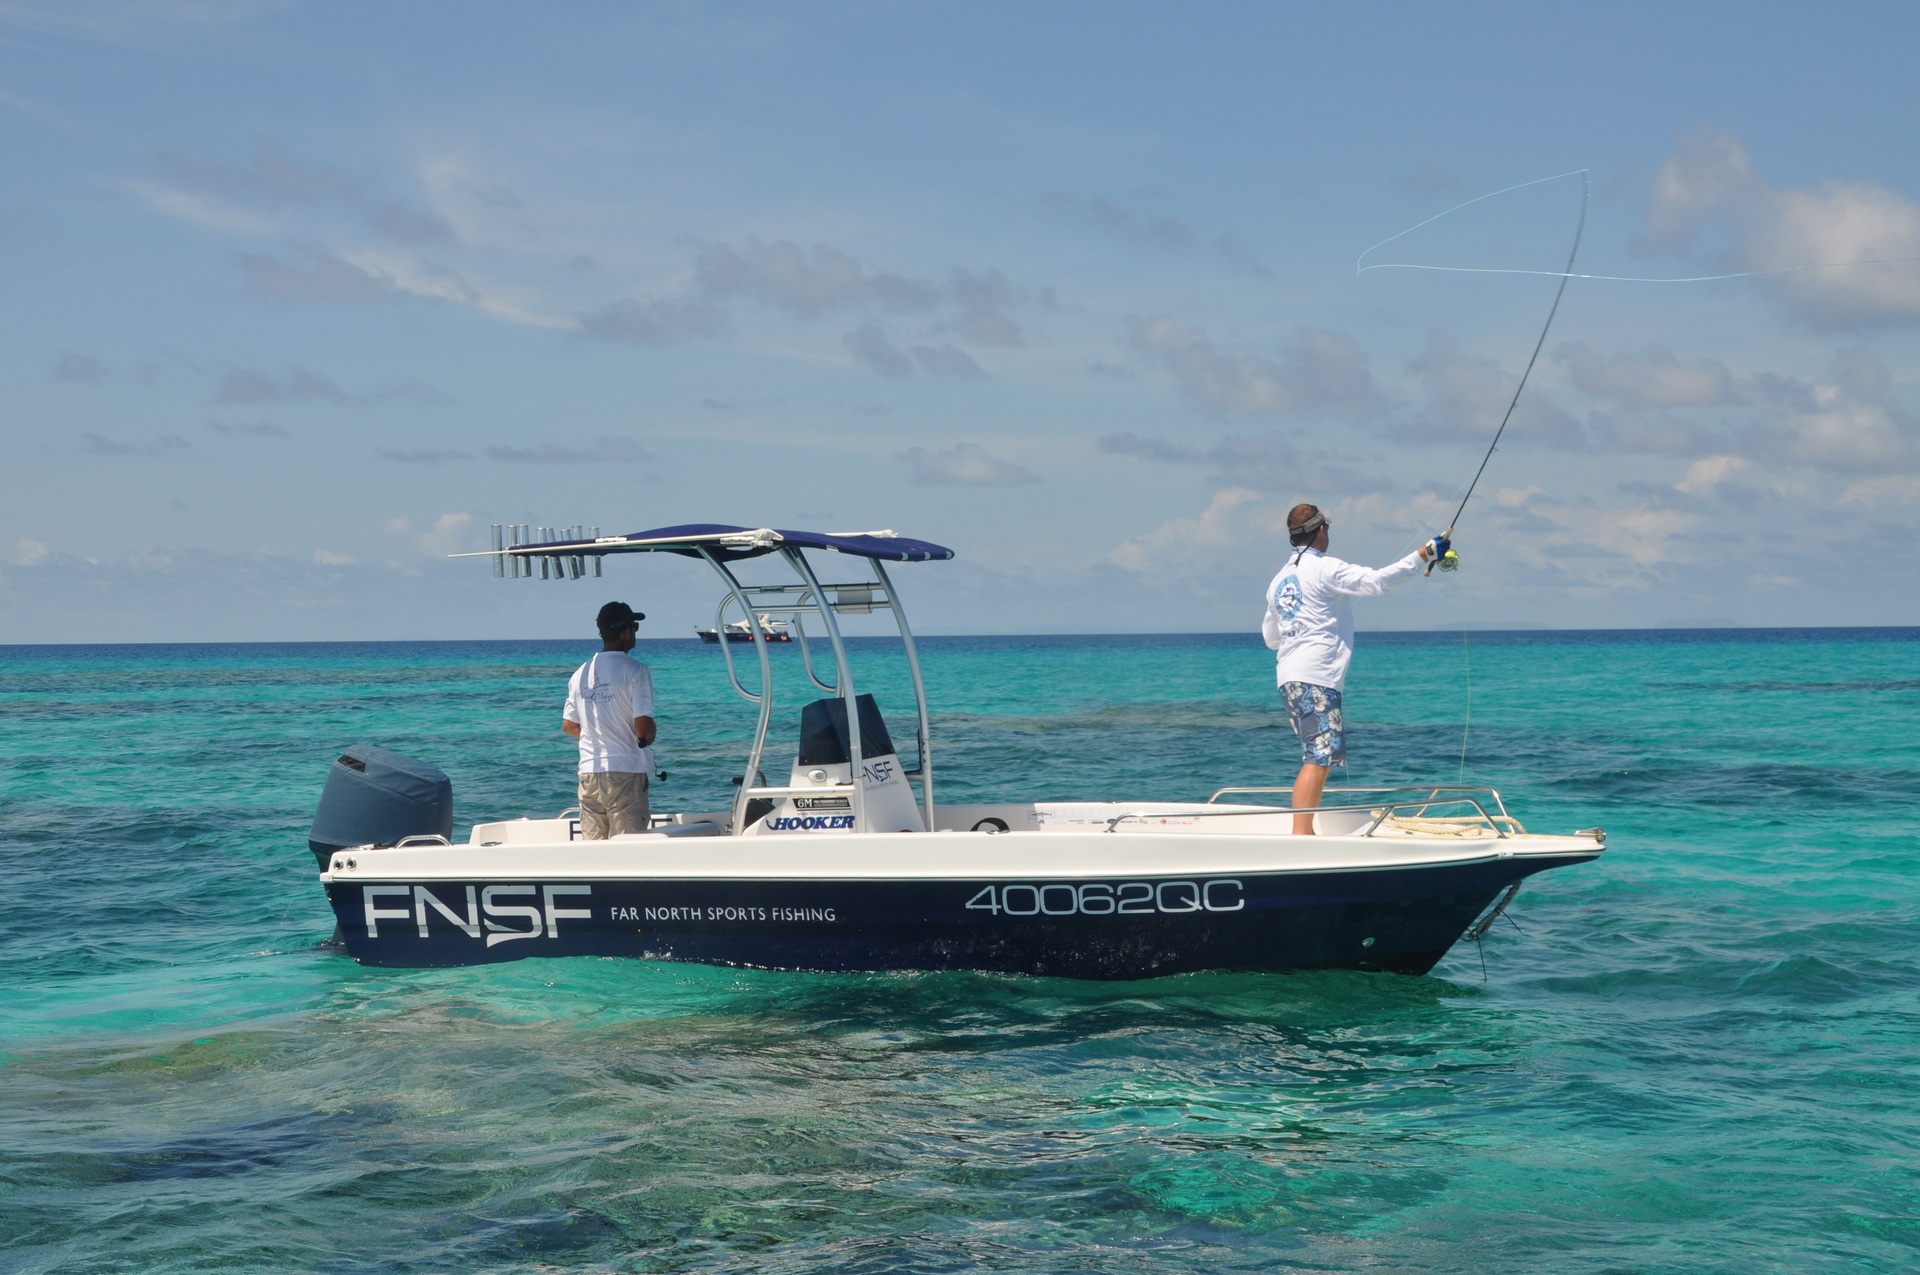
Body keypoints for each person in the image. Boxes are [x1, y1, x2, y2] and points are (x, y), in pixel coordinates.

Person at [1262, 504, 1447, 836]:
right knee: (1319, 756)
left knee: (1319, 754)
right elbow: (1377, 582)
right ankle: (1301, 836)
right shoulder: (1325, 568)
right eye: (1327, 529)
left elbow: (1271, 637)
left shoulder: (1278, 580)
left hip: (1288, 678)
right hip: (1315, 675)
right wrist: (1425, 554)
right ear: (1321, 531)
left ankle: (1303, 831)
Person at [562, 601, 657, 839]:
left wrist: (599, 734)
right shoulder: (636, 670)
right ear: (625, 631)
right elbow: (643, 730)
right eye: (634, 627)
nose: (635, 633)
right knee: (628, 853)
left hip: (588, 774)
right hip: (625, 772)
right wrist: (650, 734)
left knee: (595, 855)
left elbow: (570, 726)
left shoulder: (579, 674)